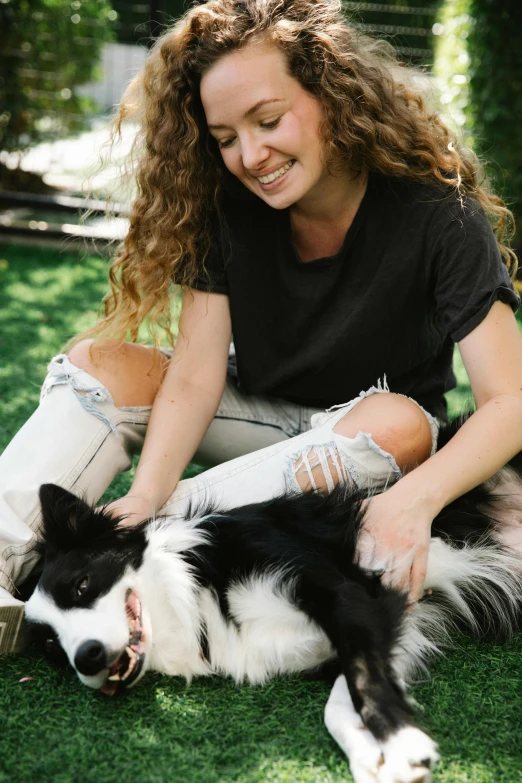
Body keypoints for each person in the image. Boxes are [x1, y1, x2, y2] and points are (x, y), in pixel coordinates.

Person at [1, 0, 522, 654]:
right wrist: (144, 490)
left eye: (269, 120)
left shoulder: (439, 215)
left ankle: (150, 541)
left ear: (332, 93)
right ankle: (6, 564)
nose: (251, 154)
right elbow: (194, 375)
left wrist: (415, 501)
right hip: (258, 423)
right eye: (225, 138)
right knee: (98, 360)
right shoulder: (225, 204)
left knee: (401, 420)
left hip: (368, 449)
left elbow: (510, 402)